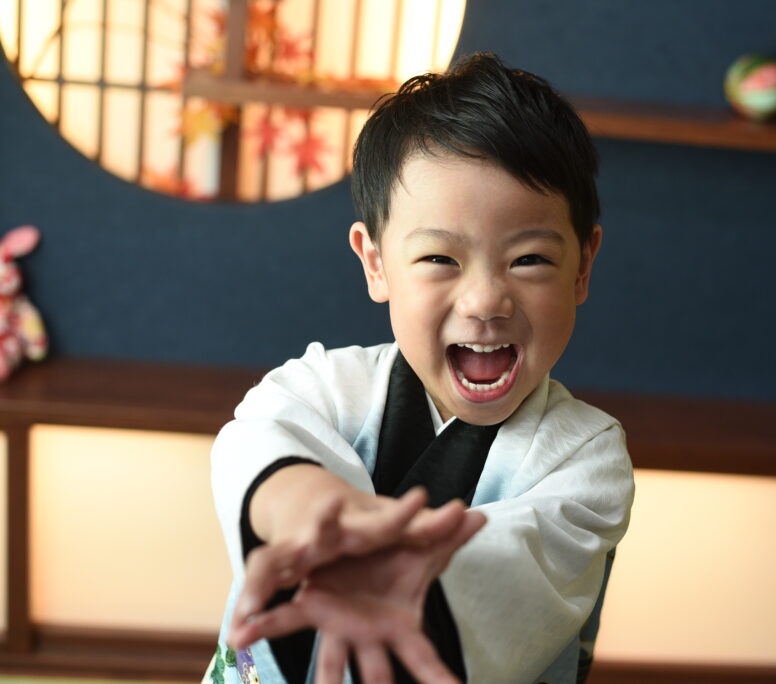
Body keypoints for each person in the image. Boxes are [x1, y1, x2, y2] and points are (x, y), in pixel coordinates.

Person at [205, 52, 634, 684]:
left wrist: (398, 579)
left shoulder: (586, 459)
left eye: (530, 259)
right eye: (439, 257)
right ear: (375, 263)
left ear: (583, 266)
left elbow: (523, 568)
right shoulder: (324, 388)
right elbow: (257, 443)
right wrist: (322, 520)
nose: (487, 299)